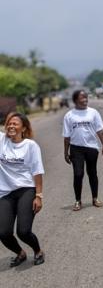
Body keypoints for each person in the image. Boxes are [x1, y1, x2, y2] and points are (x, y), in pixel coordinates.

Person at [0, 113, 45, 266]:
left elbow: (37, 171)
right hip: (5, 193)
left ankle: (38, 250)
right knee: (3, 233)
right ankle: (20, 253)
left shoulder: (30, 146)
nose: (11, 126)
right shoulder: (1, 140)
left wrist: (38, 196)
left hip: (26, 189)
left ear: (23, 128)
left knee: (23, 231)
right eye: (9, 123)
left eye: (15, 124)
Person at [63, 90, 103, 211]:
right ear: (75, 100)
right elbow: (66, 136)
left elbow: (99, 130)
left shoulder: (93, 112)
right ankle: (78, 200)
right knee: (78, 174)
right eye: (82, 97)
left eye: (86, 97)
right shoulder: (69, 115)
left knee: (92, 173)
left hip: (92, 147)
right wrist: (65, 152)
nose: (85, 99)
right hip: (76, 148)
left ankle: (95, 198)